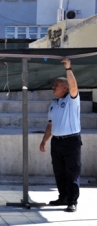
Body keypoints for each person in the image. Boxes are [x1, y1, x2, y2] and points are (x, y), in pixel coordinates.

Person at [39, 58, 81, 213]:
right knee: (59, 171)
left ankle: (72, 201)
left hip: (71, 141)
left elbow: (74, 86)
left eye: (55, 86)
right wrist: (44, 140)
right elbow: (50, 124)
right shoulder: (53, 104)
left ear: (64, 87)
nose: (53, 88)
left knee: (72, 171)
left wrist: (68, 69)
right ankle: (63, 197)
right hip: (56, 142)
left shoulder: (72, 100)